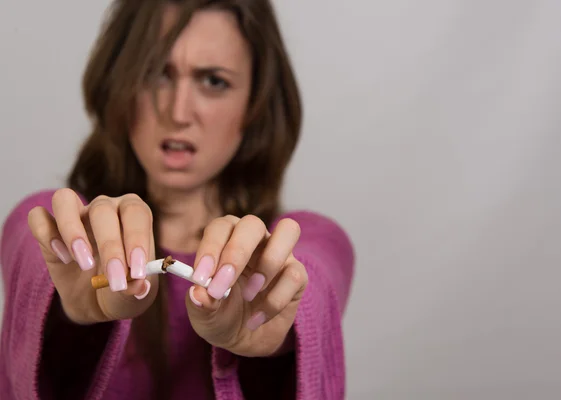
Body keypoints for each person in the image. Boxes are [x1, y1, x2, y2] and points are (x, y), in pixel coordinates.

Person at [0, 1, 355, 399]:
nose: (178, 112)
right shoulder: (54, 220)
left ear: (256, 104)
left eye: (214, 81)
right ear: (119, 84)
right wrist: (70, 300)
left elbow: (314, 279)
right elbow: (31, 252)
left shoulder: (313, 241)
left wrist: (271, 315)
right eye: (156, 73)